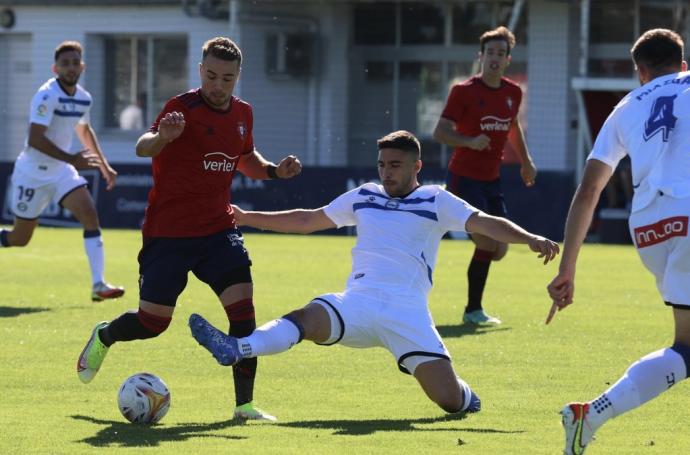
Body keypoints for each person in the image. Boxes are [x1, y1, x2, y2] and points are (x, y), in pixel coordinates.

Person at [187, 130, 559, 416]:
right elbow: (308, 219)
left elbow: (485, 222)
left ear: (416, 167)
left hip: (407, 311)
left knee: (449, 401)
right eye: (382, 164)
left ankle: (467, 397)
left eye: (394, 165)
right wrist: (250, 217)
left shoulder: (436, 199)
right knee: (305, 317)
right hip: (357, 304)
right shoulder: (364, 195)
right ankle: (237, 348)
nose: (386, 172)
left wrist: (529, 238)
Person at [76, 37, 302, 421]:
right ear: (201, 71)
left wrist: (272, 171)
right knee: (153, 323)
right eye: (211, 76)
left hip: (219, 229)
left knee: (243, 311)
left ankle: (244, 406)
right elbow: (142, 147)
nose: (218, 85)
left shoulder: (244, 113)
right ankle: (105, 335)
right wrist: (164, 135)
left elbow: (244, 158)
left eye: (226, 79)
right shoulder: (181, 107)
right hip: (169, 233)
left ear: (237, 77)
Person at [546, 29, 690, 454]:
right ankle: (590, 414)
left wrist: (567, 267)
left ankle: (588, 416)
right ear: (682, 63)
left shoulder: (625, 107)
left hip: (649, 228)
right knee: (685, 347)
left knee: (686, 346)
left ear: (640, 72)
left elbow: (588, 190)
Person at [0, 40, 124, 302]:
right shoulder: (47, 95)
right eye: (65, 63)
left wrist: (104, 165)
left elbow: (84, 130)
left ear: (82, 66)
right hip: (32, 172)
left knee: (90, 214)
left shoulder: (83, 98)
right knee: (20, 238)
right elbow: (35, 139)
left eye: (75, 62)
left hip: (61, 171)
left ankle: (98, 284)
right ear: (55, 68)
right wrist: (71, 158)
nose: (70, 67)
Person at [433, 26, 537, 325]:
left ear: (507, 59)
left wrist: (525, 161)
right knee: (487, 243)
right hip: (463, 179)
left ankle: (473, 306)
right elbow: (440, 132)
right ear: (481, 56)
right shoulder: (463, 91)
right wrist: (469, 141)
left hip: (492, 180)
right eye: (489, 52)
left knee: (500, 249)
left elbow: (513, 126)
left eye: (500, 53)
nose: (494, 58)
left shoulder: (512, 93)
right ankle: (472, 311)